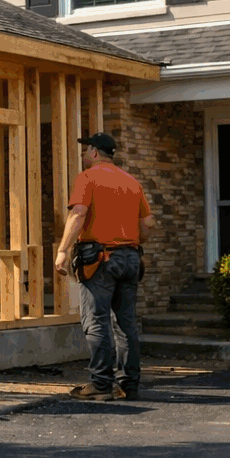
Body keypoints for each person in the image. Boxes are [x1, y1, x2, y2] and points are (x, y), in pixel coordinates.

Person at [53, 132, 154, 402]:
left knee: (96, 321)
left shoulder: (88, 178)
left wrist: (62, 250)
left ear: (95, 152)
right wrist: (131, 241)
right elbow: (148, 224)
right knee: (125, 323)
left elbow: (78, 213)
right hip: (130, 259)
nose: (84, 154)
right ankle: (129, 384)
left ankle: (100, 384)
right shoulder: (132, 182)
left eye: (86, 150)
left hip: (100, 260)